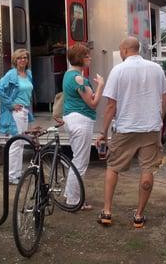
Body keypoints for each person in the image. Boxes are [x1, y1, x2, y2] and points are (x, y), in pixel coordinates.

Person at [96, 37, 166, 228]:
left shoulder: (118, 70)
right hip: (150, 128)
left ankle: (107, 211)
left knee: (113, 167)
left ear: (126, 50)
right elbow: (164, 97)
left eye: (121, 50)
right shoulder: (156, 69)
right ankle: (138, 216)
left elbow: (111, 105)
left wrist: (103, 132)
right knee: (147, 169)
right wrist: (159, 120)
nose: (120, 53)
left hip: (126, 128)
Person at [62, 43, 105, 210]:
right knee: (80, 162)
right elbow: (93, 103)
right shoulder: (79, 79)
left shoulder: (68, 75)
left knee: (76, 159)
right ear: (80, 58)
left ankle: (70, 194)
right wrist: (101, 85)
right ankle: (74, 201)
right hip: (81, 121)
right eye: (87, 55)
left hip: (71, 119)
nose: (90, 58)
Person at [0, 48, 34, 184]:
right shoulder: (11, 74)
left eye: (25, 57)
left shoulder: (28, 74)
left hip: (25, 111)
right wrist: (10, 104)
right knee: (15, 143)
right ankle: (11, 176)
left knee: (21, 143)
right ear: (15, 60)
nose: (23, 60)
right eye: (20, 58)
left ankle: (16, 173)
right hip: (16, 113)